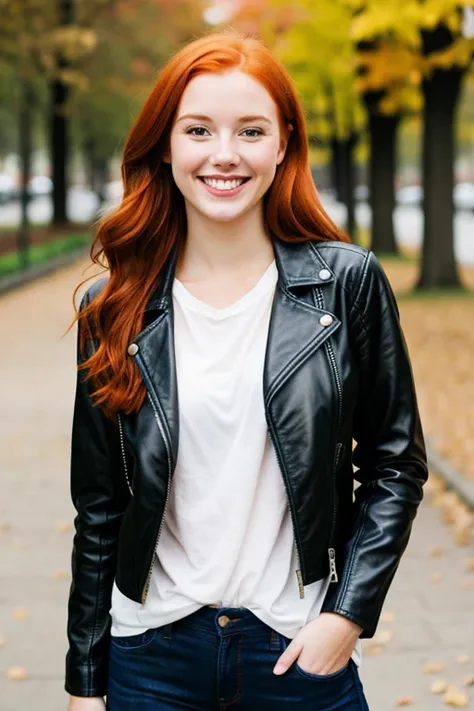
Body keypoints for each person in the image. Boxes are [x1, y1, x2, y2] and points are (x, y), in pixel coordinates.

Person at [65, 30, 428, 711]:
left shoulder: (346, 286)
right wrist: (86, 680)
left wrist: (346, 616)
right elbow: (101, 506)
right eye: (198, 129)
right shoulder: (111, 307)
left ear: (283, 142)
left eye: (251, 130)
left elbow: (393, 465)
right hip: (150, 656)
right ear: (165, 145)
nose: (224, 154)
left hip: (295, 651)